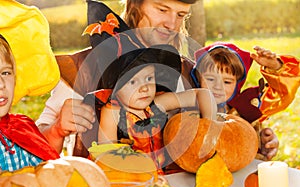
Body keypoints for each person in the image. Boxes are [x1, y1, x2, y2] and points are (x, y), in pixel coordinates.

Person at [36, 0, 199, 155]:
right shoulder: (81, 69)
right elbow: (35, 148)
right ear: (134, 4)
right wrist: (56, 130)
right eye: (162, 10)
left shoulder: (187, 71)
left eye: (181, 15)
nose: (171, 25)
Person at [92, 44, 216, 174]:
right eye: (133, 82)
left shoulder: (157, 103)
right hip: (132, 177)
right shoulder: (113, 112)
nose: (145, 88)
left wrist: (210, 123)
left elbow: (202, 94)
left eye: (149, 78)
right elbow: (106, 154)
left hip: (166, 174)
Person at [189, 42, 300, 160]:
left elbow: (281, 94)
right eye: (210, 79)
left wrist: (275, 67)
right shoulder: (189, 107)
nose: (218, 86)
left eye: (227, 82)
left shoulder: (246, 106)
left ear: (237, 84)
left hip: (244, 171)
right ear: (198, 78)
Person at [0, 35, 60, 172]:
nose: (1, 84)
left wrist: (58, 133)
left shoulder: (22, 128)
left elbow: (51, 174)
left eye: (5, 73)